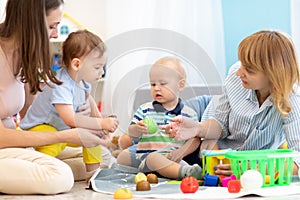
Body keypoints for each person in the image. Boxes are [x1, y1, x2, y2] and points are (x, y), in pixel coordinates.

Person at [0, 0, 105, 195]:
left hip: (14, 143)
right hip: (3, 146)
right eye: (51, 26)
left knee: (102, 156)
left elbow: (30, 115)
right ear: (31, 21)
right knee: (59, 176)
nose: (56, 34)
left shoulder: (23, 55)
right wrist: (64, 135)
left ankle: (32, 169)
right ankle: (42, 169)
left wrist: (79, 113)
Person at [163, 30, 300, 176]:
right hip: (209, 122)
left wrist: (253, 169)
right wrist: (197, 128)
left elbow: (297, 159)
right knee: (155, 151)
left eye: (249, 70)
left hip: (246, 161)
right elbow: (220, 124)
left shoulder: (293, 101)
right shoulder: (236, 77)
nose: (239, 72)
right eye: (242, 64)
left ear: (273, 74)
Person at [20, 30, 119, 181]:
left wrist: (99, 121)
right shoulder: (61, 84)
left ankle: (93, 175)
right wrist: (101, 122)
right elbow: (70, 119)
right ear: (76, 64)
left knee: (92, 139)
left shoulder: (83, 81)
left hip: (62, 130)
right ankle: (36, 168)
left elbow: (89, 98)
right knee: (53, 144)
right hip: (41, 127)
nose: (102, 72)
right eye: (97, 67)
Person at [117, 56, 202, 180]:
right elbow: (131, 132)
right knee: (126, 158)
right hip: (148, 159)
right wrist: (137, 129)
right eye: (153, 84)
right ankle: (183, 173)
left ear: (181, 85)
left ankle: (186, 172)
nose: (157, 88)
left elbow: (195, 139)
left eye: (163, 84)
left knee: (180, 165)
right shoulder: (145, 109)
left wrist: (181, 152)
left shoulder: (189, 114)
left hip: (173, 158)